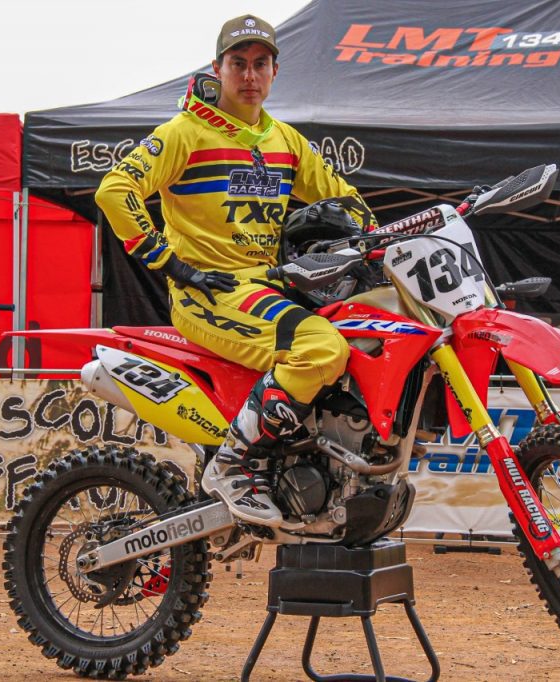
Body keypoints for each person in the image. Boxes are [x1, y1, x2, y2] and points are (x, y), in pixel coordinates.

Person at [95, 14, 376, 528]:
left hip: (268, 288)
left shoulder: (285, 140)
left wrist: (379, 238)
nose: (249, 75)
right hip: (209, 292)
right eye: (238, 63)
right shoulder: (186, 132)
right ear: (218, 69)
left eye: (260, 64)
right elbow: (115, 190)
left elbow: (344, 198)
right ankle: (233, 465)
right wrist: (171, 263)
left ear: (274, 72)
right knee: (321, 350)